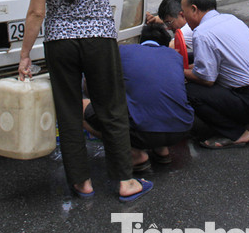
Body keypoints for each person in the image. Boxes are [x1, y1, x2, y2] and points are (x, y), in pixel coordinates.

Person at [18, 0, 152, 202]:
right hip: (99, 39)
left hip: (59, 42)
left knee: (68, 111)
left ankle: (82, 183)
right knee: (111, 108)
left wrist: (25, 56)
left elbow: (37, 12)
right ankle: (125, 182)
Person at [83, 23, 193, 173]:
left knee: (80, 107)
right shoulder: (174, 56)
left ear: (141, 40)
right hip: (181, 129)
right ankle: (161, 150)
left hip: (143, 132)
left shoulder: (123, 51)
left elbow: (92, 87)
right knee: (154, 103)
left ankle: (134, 153)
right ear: (166, 44)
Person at [181, 0, 249, 148]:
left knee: (189, 91)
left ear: (194, 9)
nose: (185, 20)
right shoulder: (231, 19)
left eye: (184, 14)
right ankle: (246, 123)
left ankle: (236, 134)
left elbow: (206, 79)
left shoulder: (202, 33)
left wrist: (181, 72)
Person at [146, 0, 192, 67]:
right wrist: (154, 19)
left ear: (182, 15)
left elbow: (168, 50)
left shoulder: (186, 30)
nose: (168, 28)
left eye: (168, 23)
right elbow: (169, 19)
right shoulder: (194, 15)